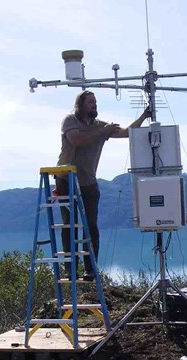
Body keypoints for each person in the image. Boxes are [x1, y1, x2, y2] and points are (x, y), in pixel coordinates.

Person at [55, 90, 151, 280]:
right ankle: (70, 269)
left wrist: (144, 115)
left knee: (91, 226)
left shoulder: (100, 126)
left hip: (89, 181)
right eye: (91, 102)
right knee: (70, 225)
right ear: (80, 105)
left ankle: (91, 269)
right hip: (66, 179)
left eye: (95, 102)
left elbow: (127, 133)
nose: (94, 105)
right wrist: (102, 132)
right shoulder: (70, 121)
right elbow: (77, 140)